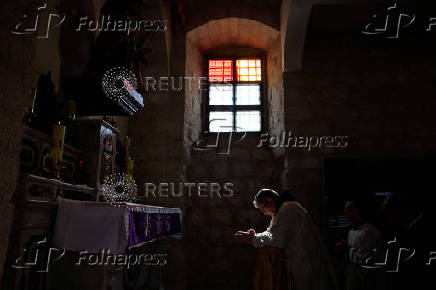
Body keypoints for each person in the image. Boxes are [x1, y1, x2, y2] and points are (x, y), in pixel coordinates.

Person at [235, 189, 338, 290]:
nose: (265, 214)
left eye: (264, 209)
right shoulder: (281, 211)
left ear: (270, 201)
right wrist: (255, 236)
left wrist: (253, 238)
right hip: (299, 261)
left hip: (306, 262)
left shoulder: (289, 209)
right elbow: (271, 233)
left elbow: (278, 238)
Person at [336, 199, 385, 290]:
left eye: (349, 208)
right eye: (345, 209)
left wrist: (346, 249)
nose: (345, 212)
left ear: (357, 210)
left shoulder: (369, 231)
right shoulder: (352, 231)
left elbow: (365, 260)